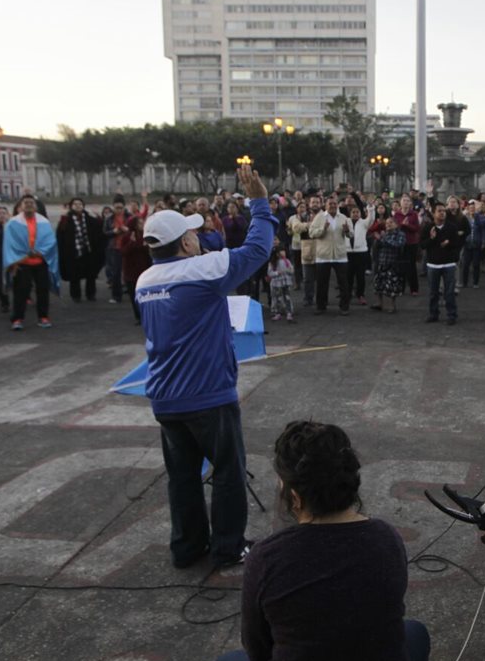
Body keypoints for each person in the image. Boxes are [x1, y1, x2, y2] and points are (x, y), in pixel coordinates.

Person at [211, 421, 429, 661]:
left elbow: (259, 654)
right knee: (414, 633)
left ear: (295, 498)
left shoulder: (266, 559)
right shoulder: (386, 538)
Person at [135, 163, 275, 569]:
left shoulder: (144, 281)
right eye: (193, 233)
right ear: (183, 243)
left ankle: (187, 547)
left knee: (182, 477)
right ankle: (228, 547)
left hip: (165, 396)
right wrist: (260, 203)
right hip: (208, 394)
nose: (198, 236)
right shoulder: (201, 269)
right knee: (228, 471)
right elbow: (258, 250)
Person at [3, 194, 60, 330]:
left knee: (43, 291)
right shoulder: (13, 223)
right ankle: (17, 319)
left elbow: (50, 241)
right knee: (21, 292)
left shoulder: (44, 222)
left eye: (31, 202)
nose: (29, 204)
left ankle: (43, 317)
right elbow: (10, 243)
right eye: (26, 202)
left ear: (36, 206)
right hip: (22, 263)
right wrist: (21, 256)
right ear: (20, 206)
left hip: (41, 262)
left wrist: (40, 251)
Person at [308, 194, 352, 315]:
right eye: (330, 204)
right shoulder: (319, 217)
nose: (332, 206)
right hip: (323, 256)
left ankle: (344, 307)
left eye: (334, 204)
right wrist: (323, 229)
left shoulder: (343, 217)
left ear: (337, 205)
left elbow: (351, 235)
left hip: (340, 255)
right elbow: (311, 233)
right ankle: (321, 306)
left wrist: (347, 231)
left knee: (343, 283)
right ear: (325, 205)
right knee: (322, 283)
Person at [420, 203, 462, 325]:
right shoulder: (428, 227)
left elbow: (457, 244)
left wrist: (449, 244)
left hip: (449, 264)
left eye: (444, 211)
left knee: (449, 292)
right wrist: (432, 239)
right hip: (433, 264)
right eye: (439, 211)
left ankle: (451, 315)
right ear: (433, 213)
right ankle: (433, 314)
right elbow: (422, 245)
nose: (442, 213)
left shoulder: (451, 227)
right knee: (433, 292)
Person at [56, 198, 104, 303]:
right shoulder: (66, 219)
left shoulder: (88, 218)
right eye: (75, 204)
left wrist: (98, 215)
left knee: (91, 275)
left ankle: (90, 294)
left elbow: (100, 227)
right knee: (74, 276)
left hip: (88, 251)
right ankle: (75, 295)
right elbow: (60, 234)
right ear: (71, 206)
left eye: (80, 204)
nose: (78, 206)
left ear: (83, 206)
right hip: (73, 252)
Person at [370, 217, 406, 314]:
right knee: (378, 283)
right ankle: (379, 303)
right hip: (382, 262)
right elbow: (377, 247)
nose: (388, 224)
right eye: (387, 223)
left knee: (391, 285)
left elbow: (397, 245)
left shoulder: (400, 234)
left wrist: (382, 239)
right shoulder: (384, 233)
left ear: (396, 224)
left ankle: (392, 305)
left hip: (393, 263)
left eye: (391, 222)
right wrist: (377, 240)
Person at [266, 246, 296, 323]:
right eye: (281, 251)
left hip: (286, 282)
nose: (283, 253)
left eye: (284, 251)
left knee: (287, 297)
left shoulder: (287, 261)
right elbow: (269, 273)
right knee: (277, 298)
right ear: (277, 253)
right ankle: (277, 312)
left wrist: (288, 270)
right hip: (276, 283)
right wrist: (277, 273)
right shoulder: (272, 263)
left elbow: (292, 270)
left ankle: (289, 312)